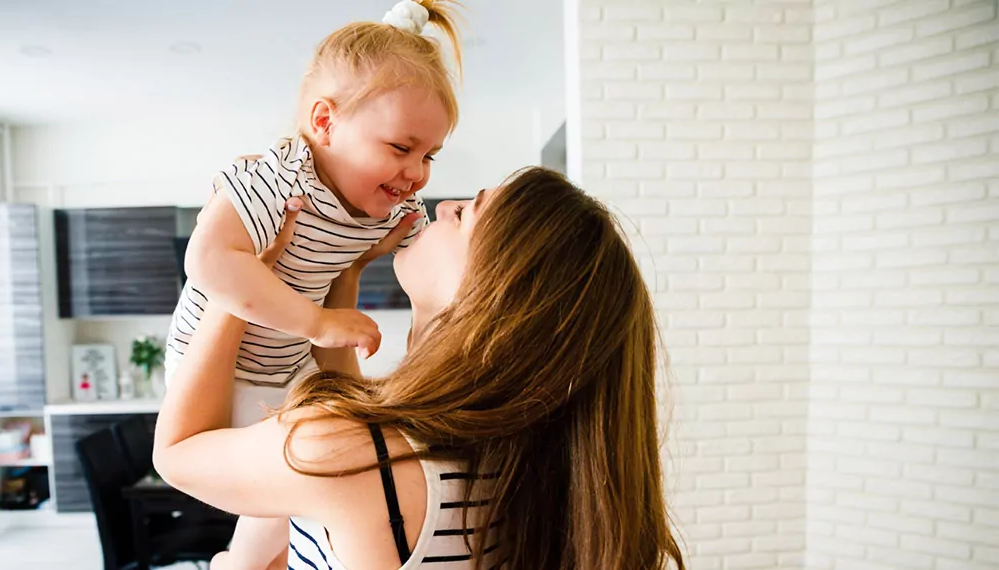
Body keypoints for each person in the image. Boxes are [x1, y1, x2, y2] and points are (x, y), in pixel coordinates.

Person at [154, 167, 688, 570]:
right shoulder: (522, 459)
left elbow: (177, 454)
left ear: (490, 293)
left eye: (464, 213)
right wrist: (346, 271)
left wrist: (241, 275)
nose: (443, 203)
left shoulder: (345, 451)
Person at [163, 0, 463, 562]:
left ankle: (243, 563)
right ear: (324, 123)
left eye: (430, 155)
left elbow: (436, 256)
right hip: (222, 370)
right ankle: (243, 562)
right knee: (295, 477)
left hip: (286, 363)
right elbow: (206, 261)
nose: (418, 172)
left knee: (307, 483)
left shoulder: (387, 207)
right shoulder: (277, 180)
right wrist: (316, 321)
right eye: (401, 148)